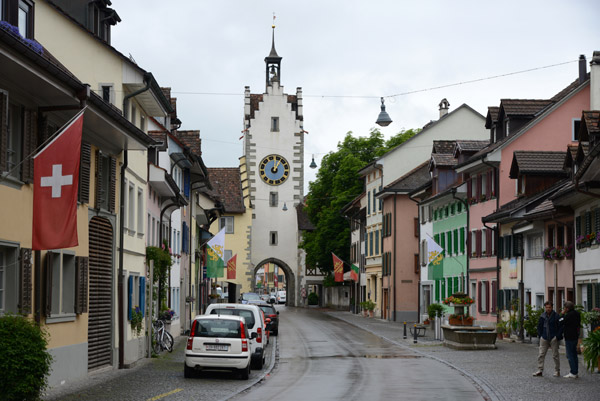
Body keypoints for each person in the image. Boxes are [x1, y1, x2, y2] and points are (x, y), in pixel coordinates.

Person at [533, 301, 563, 377]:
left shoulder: (556, 316)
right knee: (541, 354)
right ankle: (540, 370)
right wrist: (540, 336)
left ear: (552, 307)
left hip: (553, 337)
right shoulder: (542, 316)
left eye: (549, 307)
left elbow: (560, 327)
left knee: (555, 355)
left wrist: (557, 336)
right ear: (545, 308)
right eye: (546, 307)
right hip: (544, 337)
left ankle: (557, 371)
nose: (548, 309)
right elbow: (539, 326)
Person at [560, 301, 581, 378]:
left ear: (567, 308)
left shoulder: (568, 315)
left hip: (569, 337)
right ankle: (576, 371)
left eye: (564, 308)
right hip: (575, 336)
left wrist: (562, 314)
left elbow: (561, 322)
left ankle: (573, 372)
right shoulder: (577, 314)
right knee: (574, 354)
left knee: (570, 355)